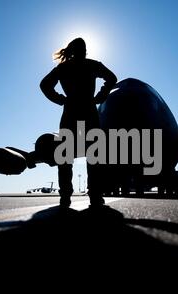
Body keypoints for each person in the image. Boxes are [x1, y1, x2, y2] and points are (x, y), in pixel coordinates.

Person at [40, 38, 117, 208]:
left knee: (66, 157)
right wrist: (101, 95)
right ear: (84, 50)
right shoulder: (92, 65)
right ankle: (95, 195)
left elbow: (45, 85)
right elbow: (112, 78)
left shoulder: (63, 68)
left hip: (70, 111)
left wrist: (61, 100)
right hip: (89, 111)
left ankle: (65, 195)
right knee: (93, 155)